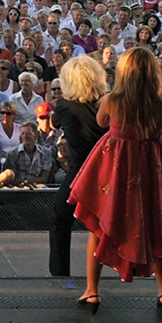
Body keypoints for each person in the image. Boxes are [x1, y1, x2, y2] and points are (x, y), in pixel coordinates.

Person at [70, 46, 162, 314]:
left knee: (99, 224)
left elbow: (100, 121)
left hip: (114, 172)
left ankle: (92, 290)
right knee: (155, 226)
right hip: (149, 171)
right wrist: (150, 157)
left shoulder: (113, 100)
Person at [49, 54, 110, 277]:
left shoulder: (65, 106)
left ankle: (59, 273)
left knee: (60, 219)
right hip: (106, 173)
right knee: (102, 224)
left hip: (79, 173)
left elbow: (53, 123)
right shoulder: (108, 104)